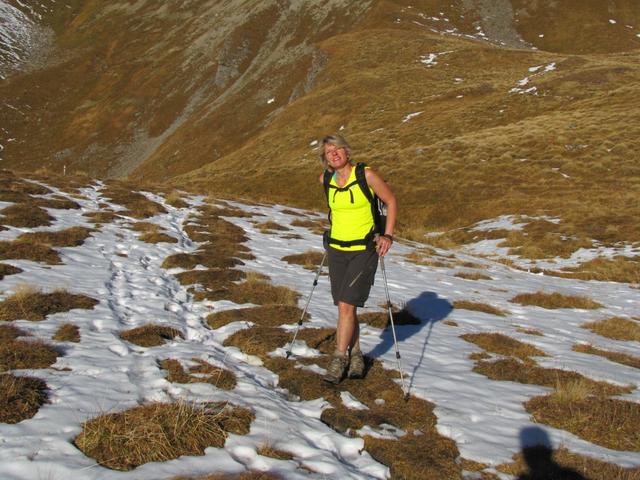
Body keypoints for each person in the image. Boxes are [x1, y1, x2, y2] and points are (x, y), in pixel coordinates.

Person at [318, 134, 397, 384]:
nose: (334, 154)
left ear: (347, 152)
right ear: (325, 159)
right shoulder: (326, 180)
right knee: (345, 306)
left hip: (363, 249)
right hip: (336, 250)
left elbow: (391, 200)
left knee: (346, 305)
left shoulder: (366, 175)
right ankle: (357, 355)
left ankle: (339, 357)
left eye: (338, 149)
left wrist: (387, 235)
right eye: (329, 152)